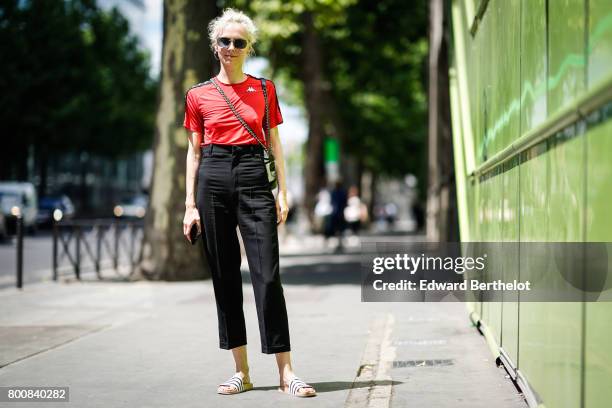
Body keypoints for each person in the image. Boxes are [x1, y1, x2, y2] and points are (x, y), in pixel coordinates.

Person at [181, 8, 316, 398]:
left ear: (249, 48)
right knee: (225, 277)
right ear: (214, 45)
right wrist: (190, 204)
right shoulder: (197, 95)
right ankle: (241, 371)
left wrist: (284, 192)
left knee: (268, 276)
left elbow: (275, 145)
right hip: (214, 178)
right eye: (224, 41)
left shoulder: (265, 89)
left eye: (239, 42)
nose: (231, 47)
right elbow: (194, 153)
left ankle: (286, 371)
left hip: (255, 178)